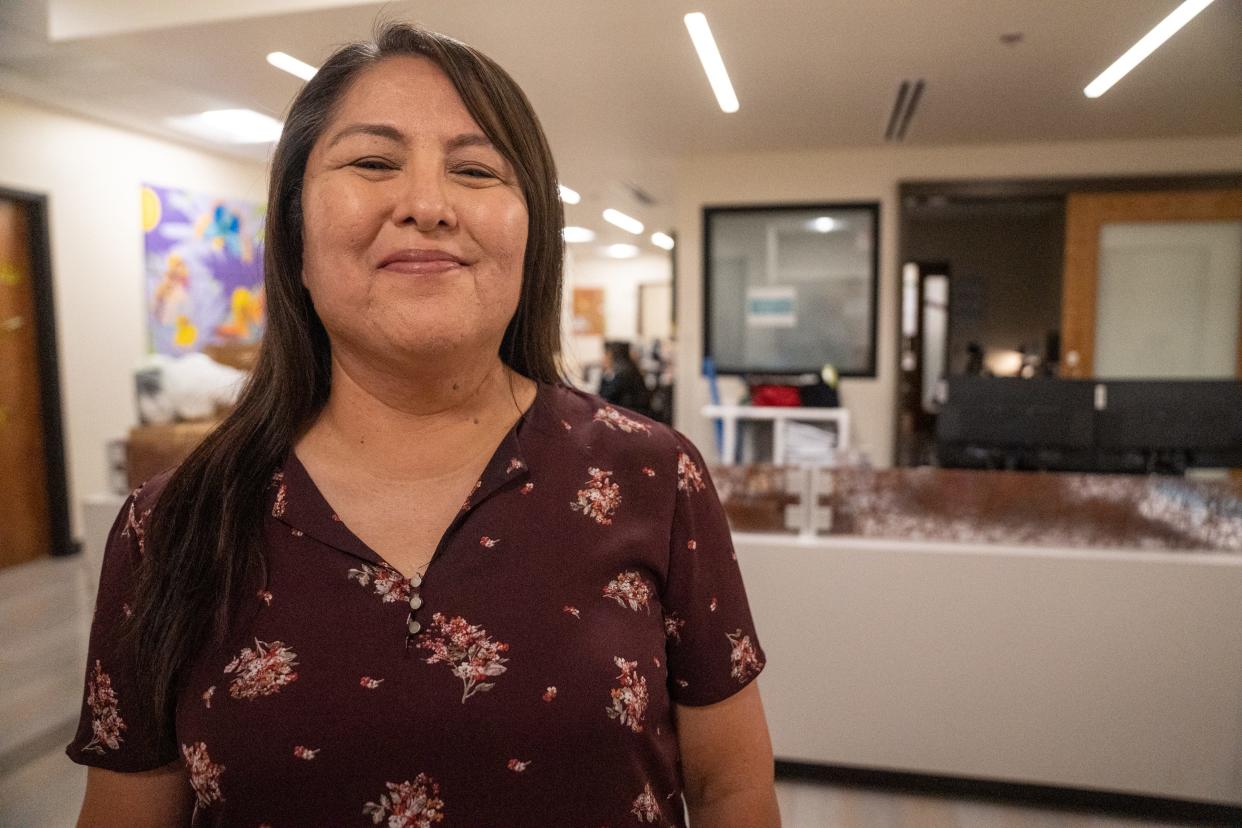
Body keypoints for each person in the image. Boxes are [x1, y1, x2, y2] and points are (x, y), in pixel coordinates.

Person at [67, 22, 778, 827]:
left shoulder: (651, 477)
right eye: (373, 162)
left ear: (531, 236)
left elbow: (732, 790)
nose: (429, 206)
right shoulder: (172, 526)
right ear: (294, 235)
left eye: (475, 170)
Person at [598, 340, 653, 417]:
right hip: (635, 414)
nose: (604, 358)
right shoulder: (630, 369)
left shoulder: (623, 374)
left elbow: (604, 396)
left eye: (607, 355)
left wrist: (603, 373)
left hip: (630, 415)